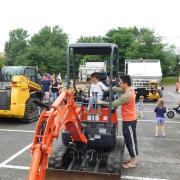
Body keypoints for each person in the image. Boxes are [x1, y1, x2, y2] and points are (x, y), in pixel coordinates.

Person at [97, 74, 138, 168]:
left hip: (129, 121)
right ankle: (133, 158)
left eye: (120, 82)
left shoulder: (128, 94)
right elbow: (119, 90)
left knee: (130, 140)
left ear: (125, 83)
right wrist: (109, 88)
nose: (119, 84)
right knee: (128, 139)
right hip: (128, 119)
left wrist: (102, 102)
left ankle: (134, 161)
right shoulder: (128, 89)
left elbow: (115, 103)